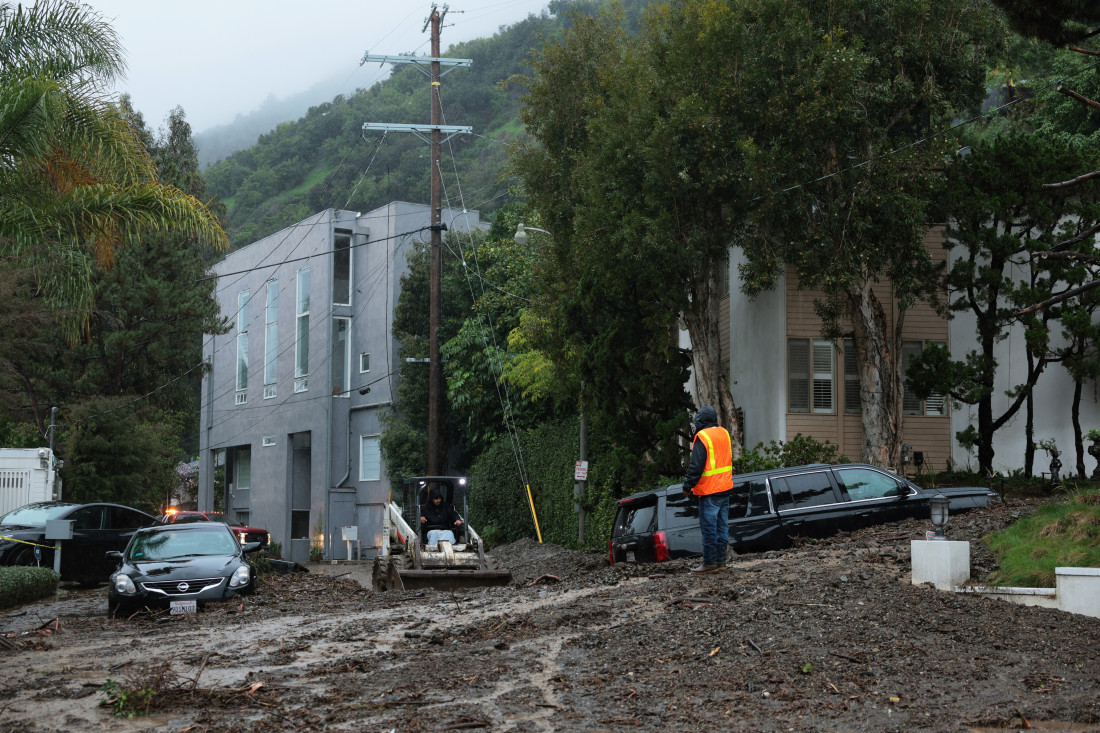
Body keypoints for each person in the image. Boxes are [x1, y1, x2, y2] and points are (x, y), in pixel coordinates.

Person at [682, 405, 734, 574]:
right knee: (722, 527)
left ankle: (709, 562)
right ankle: (721, 561)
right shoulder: (724, 433)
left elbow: (696, 466)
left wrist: (687, 485)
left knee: (710, 528)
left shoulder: (703, 437)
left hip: (710, 491)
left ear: (700, 421)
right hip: (725, 488)